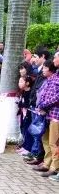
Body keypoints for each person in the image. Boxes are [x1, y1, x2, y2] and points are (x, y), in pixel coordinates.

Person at [34, 51, 59, 179]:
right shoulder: (52, 78)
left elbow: (56, 97)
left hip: (56, 114)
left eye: (56, 57)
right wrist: (41, 105)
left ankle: (54, 167)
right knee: (46, 139)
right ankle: (47, 163)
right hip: (48, 114)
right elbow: (45, 93)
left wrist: (44, 104)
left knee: (54, 142)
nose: (54, 59)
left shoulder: (56, 78)